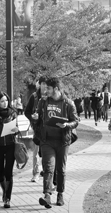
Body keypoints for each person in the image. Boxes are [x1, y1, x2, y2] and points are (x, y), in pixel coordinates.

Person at [34, 77, 78, 209]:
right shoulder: (43, 101)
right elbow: (38, 117)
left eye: (48, 88)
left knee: (61, 169)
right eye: (45, 87)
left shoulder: (68, 103)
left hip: (62, 141)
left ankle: (60, 194)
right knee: (48, 167)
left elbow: (75, 121)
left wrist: (66, 124)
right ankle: (47, 196)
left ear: (56, 89)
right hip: (47, 140)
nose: (45, 90)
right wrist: (35, 118)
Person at [24, 76, 47, 183]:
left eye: (47, 84)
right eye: (43, 84)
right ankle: (36, 173)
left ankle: (46, 172)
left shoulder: (51, 97)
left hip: (48, 129)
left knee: (47, 152)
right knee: (36, 152)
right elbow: (27, 112)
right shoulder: (34, 97)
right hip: (37, 129)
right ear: (39, 84)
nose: (45, 86)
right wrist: (32, 119)